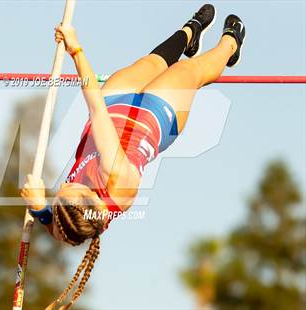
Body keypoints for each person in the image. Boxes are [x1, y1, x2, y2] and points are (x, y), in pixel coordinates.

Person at [21, 4, 246, 309]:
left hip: (116, 106)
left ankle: (190, 31)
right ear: (87, 198)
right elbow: (94, 105)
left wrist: (38, 208)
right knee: (186, 72)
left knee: (152, 61)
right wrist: (76, 50)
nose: (60, 188)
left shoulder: (73, 222)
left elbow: (57, 230)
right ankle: (231, 43)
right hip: (155, 117)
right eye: (65, 192)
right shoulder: (115, 178)